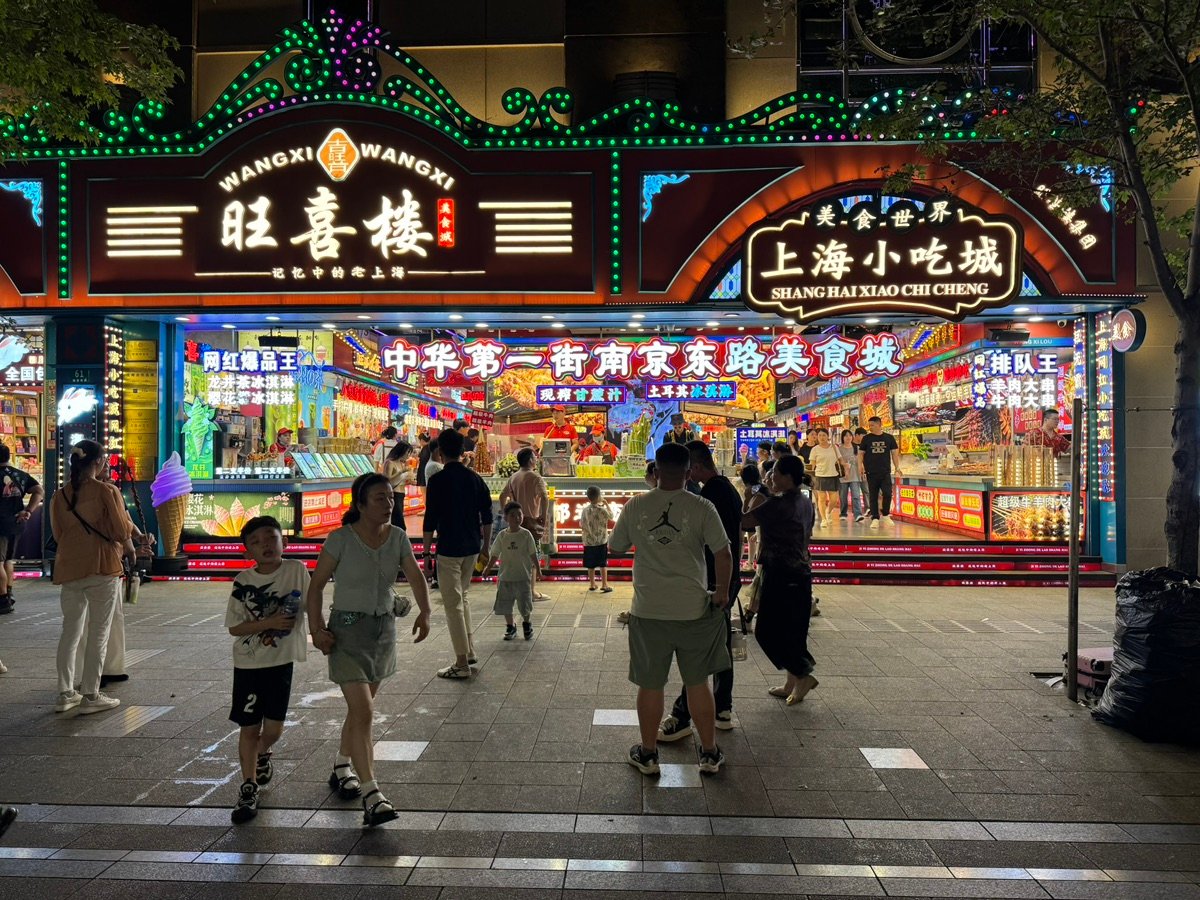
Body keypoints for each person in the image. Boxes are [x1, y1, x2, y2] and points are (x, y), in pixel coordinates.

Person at [306, 473, 432, 828]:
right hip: (345, 634)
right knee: (364, 711)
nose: (388, 504)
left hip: (382, 633)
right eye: (379, 498)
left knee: (360, 710)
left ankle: (341, 764)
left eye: (390, 498)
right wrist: (316, 629)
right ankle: (372, 794)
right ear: (360, 504)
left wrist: (425, 612)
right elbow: (316, 587)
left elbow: (415, 575)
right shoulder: (340, 539)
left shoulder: (397, 537)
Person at [609, 442, 733, 777]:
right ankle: (709, 753)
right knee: (697, 683)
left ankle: (648, 754)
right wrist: (722, 591)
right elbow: (723, 553)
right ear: (689, 472)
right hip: (693, 610)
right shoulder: (702, 506)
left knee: (650, 685)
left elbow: (615, 547)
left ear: (655, 471)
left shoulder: (636, 505)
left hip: (648, 610)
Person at [658, 440, 744, 744]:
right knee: (719, 645)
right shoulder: (728, 490)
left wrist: (717, 586)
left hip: (713, 583)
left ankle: (682, 716)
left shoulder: (709, 497)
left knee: (699, 650)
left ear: (694, 467)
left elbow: (716, 547)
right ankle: (723, 708)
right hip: (726, 580)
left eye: (687, 469)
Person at [226, 515, 310, 824]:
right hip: (248, 665)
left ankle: (260, 753)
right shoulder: (242, 581)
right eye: (256, 542)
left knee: (273, 730)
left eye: (270, 538)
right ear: (247, 551)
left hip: (280, 663)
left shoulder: (296, 571)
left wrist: (322, 630)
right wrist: (270, 622)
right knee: (249, 727)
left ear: (284, 541)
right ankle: (248, 788)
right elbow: (235, 628)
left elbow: (312, 602)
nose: (265, 546)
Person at [51, 440, 135, 715]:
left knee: (70, 631)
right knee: (99, 632)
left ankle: (65, 693)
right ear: (98, 462)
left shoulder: (60, 495)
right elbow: (121, 530)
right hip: (102, 566)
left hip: (69, 568)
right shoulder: (106, 491)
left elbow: (58, 535)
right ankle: (90, 694)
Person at [741, 454, 818, 705]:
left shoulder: (778, 504)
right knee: (793, 630)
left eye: (775, 473)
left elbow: (745, 521)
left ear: (787, 477)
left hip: (781, 572)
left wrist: (747, 497)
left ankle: (802, 674)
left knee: (766, 631)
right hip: (802, 571)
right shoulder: (805, 501)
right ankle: (791, 683)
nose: (770, 477)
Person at [423, 429, 493, 679]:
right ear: (463, 451)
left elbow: (430, 519)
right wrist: (485, 546)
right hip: (472, 547)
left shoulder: (437, 481)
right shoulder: (474, 478)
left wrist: (426, 553)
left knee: (453, 604)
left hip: (449, 548)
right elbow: (487, 515)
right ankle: (469, 650)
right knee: (461, 598)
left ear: (441, 452)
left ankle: (461, 662)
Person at [484, 502, 538, 641]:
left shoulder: (526, 534)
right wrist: (488, 568)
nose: (517, 518)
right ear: (506, 518)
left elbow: (533, 553)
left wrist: (538, 569)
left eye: (519, 514)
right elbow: (495, 554)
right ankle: (510, 626)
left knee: (525, 604)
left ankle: (527, 624)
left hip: (523, 576)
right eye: (512, 515)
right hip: (505, 577)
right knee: (505, 604)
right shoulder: (502, 536)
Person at [0, 444, 43, 613]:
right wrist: (28, 511)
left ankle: (2, 600)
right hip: (16, 523)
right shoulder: (19, 474)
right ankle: (9, 594)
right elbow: (38, 490)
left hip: (1, 524)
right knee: (8, 560)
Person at [858, 416, 902, 529]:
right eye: (869, 425)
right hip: (871, 472)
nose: (870, 427)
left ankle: (886, 514)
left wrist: (897, 468)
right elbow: (861, 454)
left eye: (872, 425)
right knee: (873, 495)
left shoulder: (889, 438)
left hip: (885, 472)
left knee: (887, 493)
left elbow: (894, 454)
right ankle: (875, 518)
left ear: (879, 424)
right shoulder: (866, 439)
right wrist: (860, 466)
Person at [807, 428, 842, 528]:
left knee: (834, 499)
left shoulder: (834, 447)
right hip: (820, 475)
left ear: (828, 436)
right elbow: (812, 464)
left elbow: (840, 459)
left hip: (833, 475)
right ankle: (823, 519)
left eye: (824, 435)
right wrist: (809, 475)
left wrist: (846, 467)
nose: (821, 437)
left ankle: (828, 511)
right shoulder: (815, 449)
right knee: (821, 498)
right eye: (819, 435)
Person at [581, 486, 612, 593]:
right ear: (599, 497)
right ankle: (604, 584)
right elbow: (611, 516)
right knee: (602, 563)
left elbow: (582, 524)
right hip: (601, 541)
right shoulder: (602, 510)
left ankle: (592, 584)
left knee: (591, 564)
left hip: (589, 542)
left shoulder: (585, 510)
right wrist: (606, 504)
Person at [383, 440, 415, 530]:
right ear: (401, 451)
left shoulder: (401, 463)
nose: (408, 455)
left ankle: (397, 536)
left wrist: (409, 481)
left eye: (409, 453)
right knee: (399, 522)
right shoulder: (390, 462)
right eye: (407, 452)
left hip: (401, 493)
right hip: (394, 494)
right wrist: (401, 472)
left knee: (397, 520)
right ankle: (399, 536)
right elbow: (386, 480)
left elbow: (400, 480)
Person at [837, 429, 867, 522]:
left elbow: (860, 461)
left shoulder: (856, 448)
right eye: (846, 436)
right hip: (843, 476)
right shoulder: (839, 449)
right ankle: (843, 513)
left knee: (856, 495)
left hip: (855, 475)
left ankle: (858, 514)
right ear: (842, 437)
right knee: (843, 496)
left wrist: (862, 471)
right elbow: (838, 461)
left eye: (850, 435)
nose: (848, 437)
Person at [740, 463, 762, 569]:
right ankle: (751, 562)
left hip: (750, 516)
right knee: (752, 540)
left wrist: (746, 501)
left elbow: (746, 513)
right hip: (758, 519)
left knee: (742, 540)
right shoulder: (760, 488)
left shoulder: (750, 489)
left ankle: (747, 563)